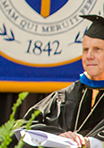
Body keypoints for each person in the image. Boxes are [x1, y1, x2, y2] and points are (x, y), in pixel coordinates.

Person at [23, 14, 104, 147]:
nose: (89, 56)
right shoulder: (65, 96)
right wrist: (58, 135)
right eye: (85, 50)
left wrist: (89, 143)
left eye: (97, 49)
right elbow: (24, 125)